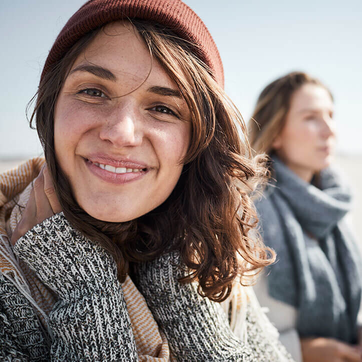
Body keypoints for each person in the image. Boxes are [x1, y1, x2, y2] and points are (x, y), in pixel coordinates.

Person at [0, 1, 294, 361]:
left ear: (199, 140)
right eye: (94, 92)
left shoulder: (205, 256)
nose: (121, 133)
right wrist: (86, 292)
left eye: (162, 108)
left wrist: (182, 303)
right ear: (51, 109)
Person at [249, 71, 362, 362]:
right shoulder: (247, 210)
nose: (329, 130)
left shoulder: (336, 207)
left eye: (330, 115)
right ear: (275, 133)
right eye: (311, 117)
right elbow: (230, 327)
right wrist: (301, 351)